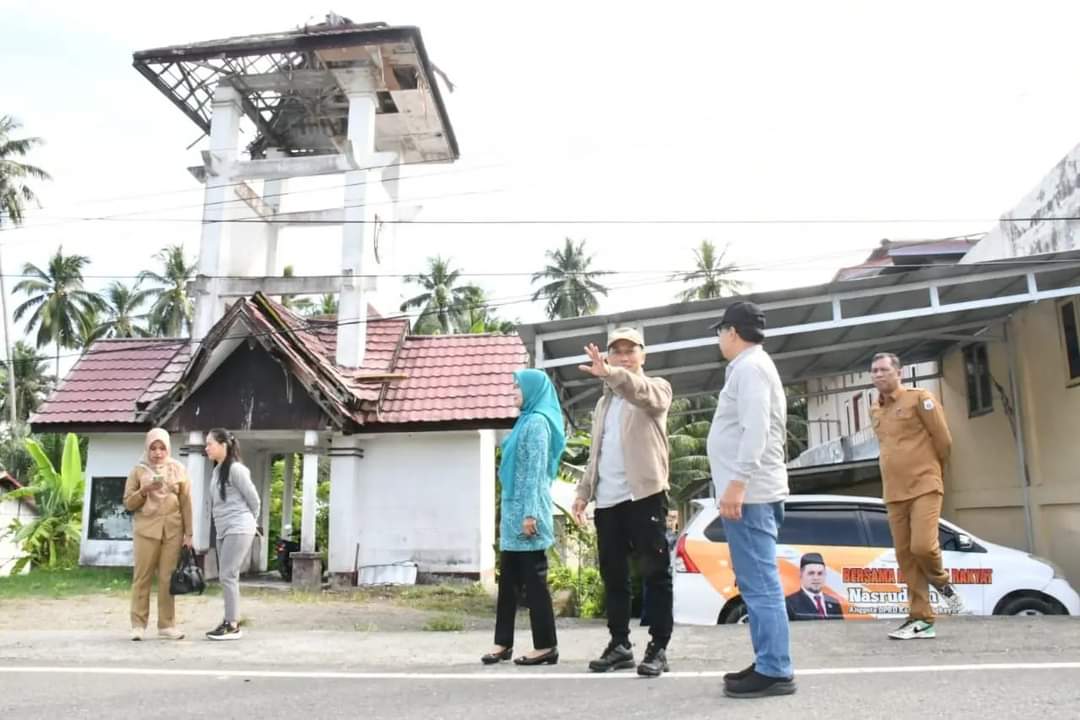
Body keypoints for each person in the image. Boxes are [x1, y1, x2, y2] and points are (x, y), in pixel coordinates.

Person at [571, 327, 674, 677]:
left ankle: (658, 648)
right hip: (609, 502)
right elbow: (596, 452)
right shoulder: (603, 404)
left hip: (645, 495)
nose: (624, 356)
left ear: (643, 356)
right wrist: (584, 493)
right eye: (617, 352)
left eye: (631, 351)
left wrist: (612, 375)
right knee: (613, 576)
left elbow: (642, 393)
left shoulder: (656, 388)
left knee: (655, 574)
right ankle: (619, 645)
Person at [706, 301, 796, 699]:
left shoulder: (751, 369)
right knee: (756, 584)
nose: (719, 339)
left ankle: (775, 669)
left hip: (751, 495)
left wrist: (737, 483)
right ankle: (767, 662)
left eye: (720, 332)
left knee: (760, 585)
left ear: (732, 332)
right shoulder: (748, 368)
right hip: (750, 493)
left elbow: (755, 429)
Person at [869, 352, 964, 640]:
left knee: (923, 547)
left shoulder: (920, 398)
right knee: (906, 557)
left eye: (884, 369)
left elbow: (943, 440)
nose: (878, 375)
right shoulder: (875, 410)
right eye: (874, 371)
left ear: (899, 372)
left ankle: (942, 583)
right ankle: (921, 619)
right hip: (894, 492)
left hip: (924, 485)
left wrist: (934, 471)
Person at [482, 369, 567, 667]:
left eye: (518, 386)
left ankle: (546, 646)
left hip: (528, 515)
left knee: (534, 583)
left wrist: (530, 514)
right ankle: (502, 643)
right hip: (513, 516)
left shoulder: (538, 424)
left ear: (533, 390)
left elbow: (535, 473)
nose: (514, 391)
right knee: (508, 584)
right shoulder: (524, 422)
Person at [123, 428, 193, 641]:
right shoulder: (138, 471)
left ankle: (167, 625)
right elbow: (128, 503)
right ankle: (138, 625)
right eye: (153, 448)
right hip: (146, 530)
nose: (157, 453)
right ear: (147, 448)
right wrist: (144, 490)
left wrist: (189, 533)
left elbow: (186, 502)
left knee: (167, 578)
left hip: (172, 530)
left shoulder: (178, 469)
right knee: (142, 578)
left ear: (168, 448)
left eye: (162, 448)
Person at [205, 428, 260, 641]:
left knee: (227, 574)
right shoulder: (218, 470)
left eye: (210, 443)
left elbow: (254, 500)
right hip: (224, 529)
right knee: (228, 575)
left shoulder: (237, 469)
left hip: (239, 527)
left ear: (223, 445)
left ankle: (232, 624)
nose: (206, 447)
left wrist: (250, 523)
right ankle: (230, 620)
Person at [785, 553, 843, 620]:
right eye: (811, 573)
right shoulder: (790, 603)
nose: (816, 578)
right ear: (801, 574)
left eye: (820, 573)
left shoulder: (834, 602)